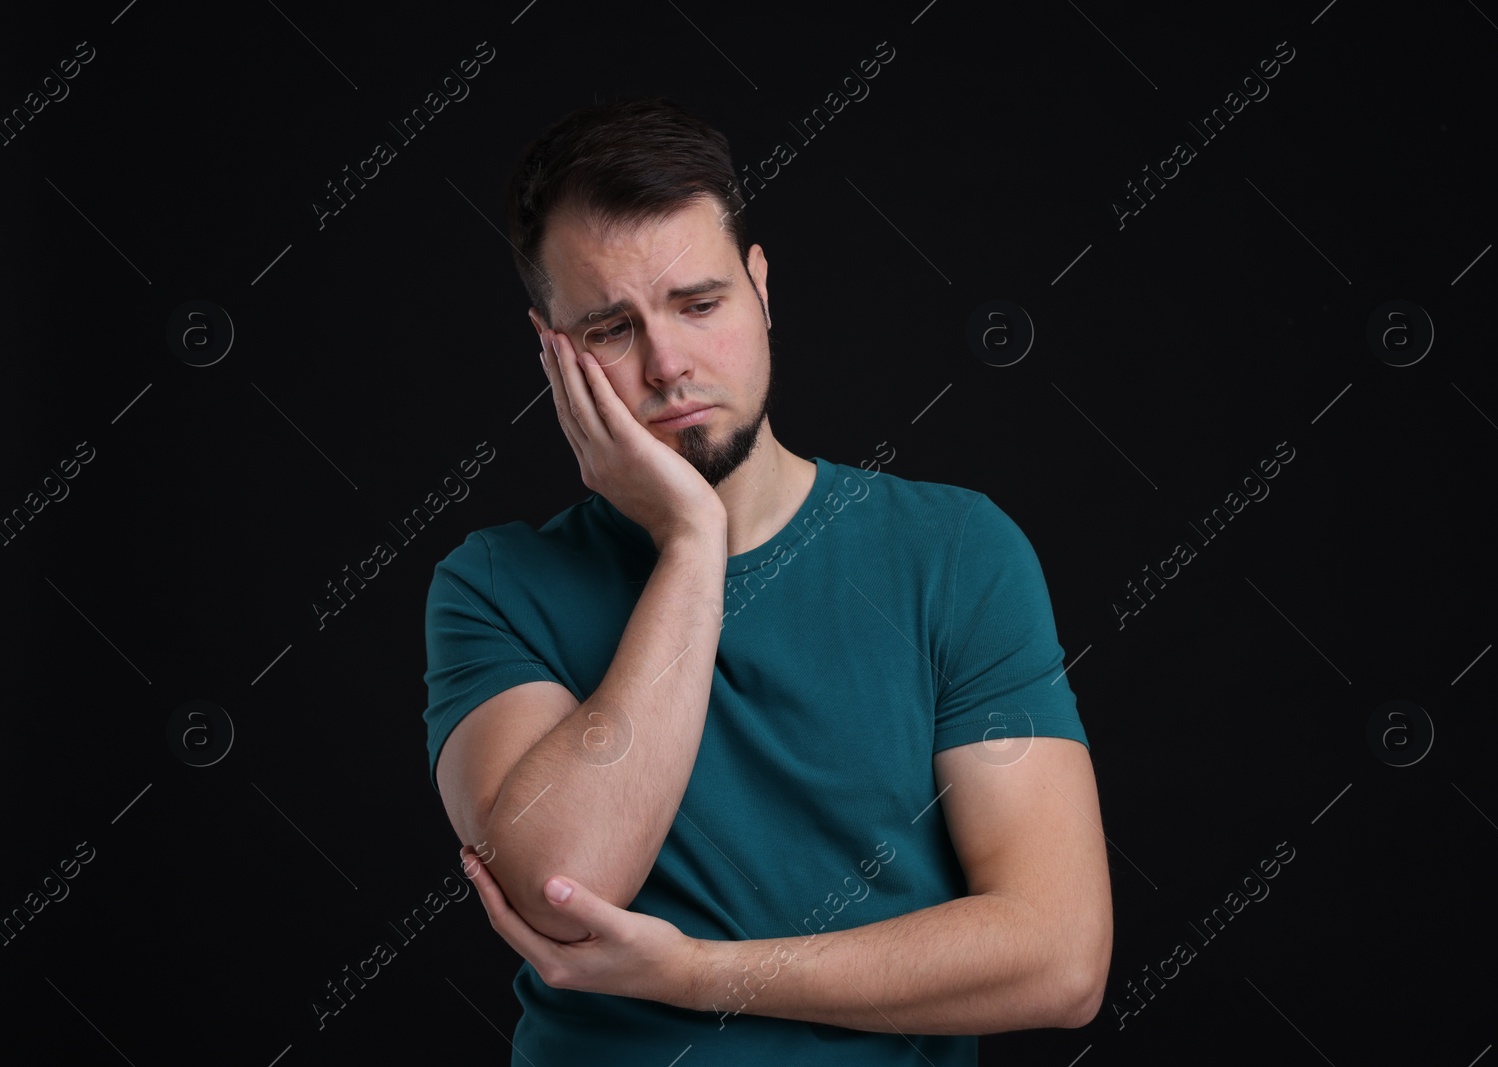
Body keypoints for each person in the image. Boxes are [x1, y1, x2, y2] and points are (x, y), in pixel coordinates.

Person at [421, 96, 1112, 1065]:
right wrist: (693, 543)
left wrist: (699, 971)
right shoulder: (496, 584)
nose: (669, 364)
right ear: (552, 352)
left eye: (699, 305)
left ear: (760, 289)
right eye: (612, 329)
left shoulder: (954, 549)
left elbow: (1058, 958)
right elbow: (561, 888)